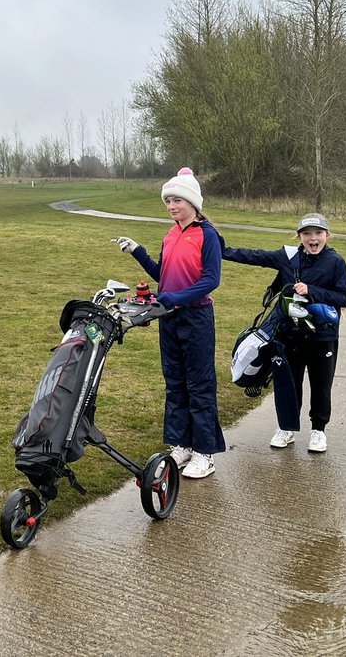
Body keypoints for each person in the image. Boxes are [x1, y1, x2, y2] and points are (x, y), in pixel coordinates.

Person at [113, 167, 225, 479]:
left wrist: (174, 299)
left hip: (196, 317)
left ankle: (205, 452)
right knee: (174, 382)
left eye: (177, 200)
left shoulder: (208, 236)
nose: (172, 206)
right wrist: (137, 252)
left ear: (193, 203)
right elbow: (162, 276)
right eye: (168, 202)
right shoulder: (171, 234)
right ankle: (182, 444)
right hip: (169, 317)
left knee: (199, 384)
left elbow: (210, 281)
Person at [222, 213, 346, 453]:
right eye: (307, 234)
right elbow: (254, 256)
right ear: (300, 236)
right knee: (289, 385)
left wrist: (311, 291)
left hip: (323, 337)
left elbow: (343, 297)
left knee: (321, 385)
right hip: (289, 336)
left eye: (318, 233)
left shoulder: (335, 261)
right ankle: (286, 428)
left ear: (327, 235)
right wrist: (220, 249)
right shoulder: (288, 257)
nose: (313, 239)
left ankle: (318, 431)